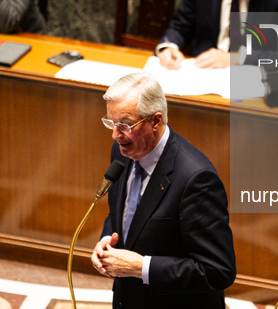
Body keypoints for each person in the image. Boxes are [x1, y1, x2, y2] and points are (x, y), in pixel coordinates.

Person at [91, 72, 236, 308]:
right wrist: (108, 240)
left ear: (156, 121)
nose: (115, 135)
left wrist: (142, 268)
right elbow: (122, 213)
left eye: (125, 125)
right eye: (111, 122)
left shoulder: (196, 179)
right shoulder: (123, 150)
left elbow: (217, 271)